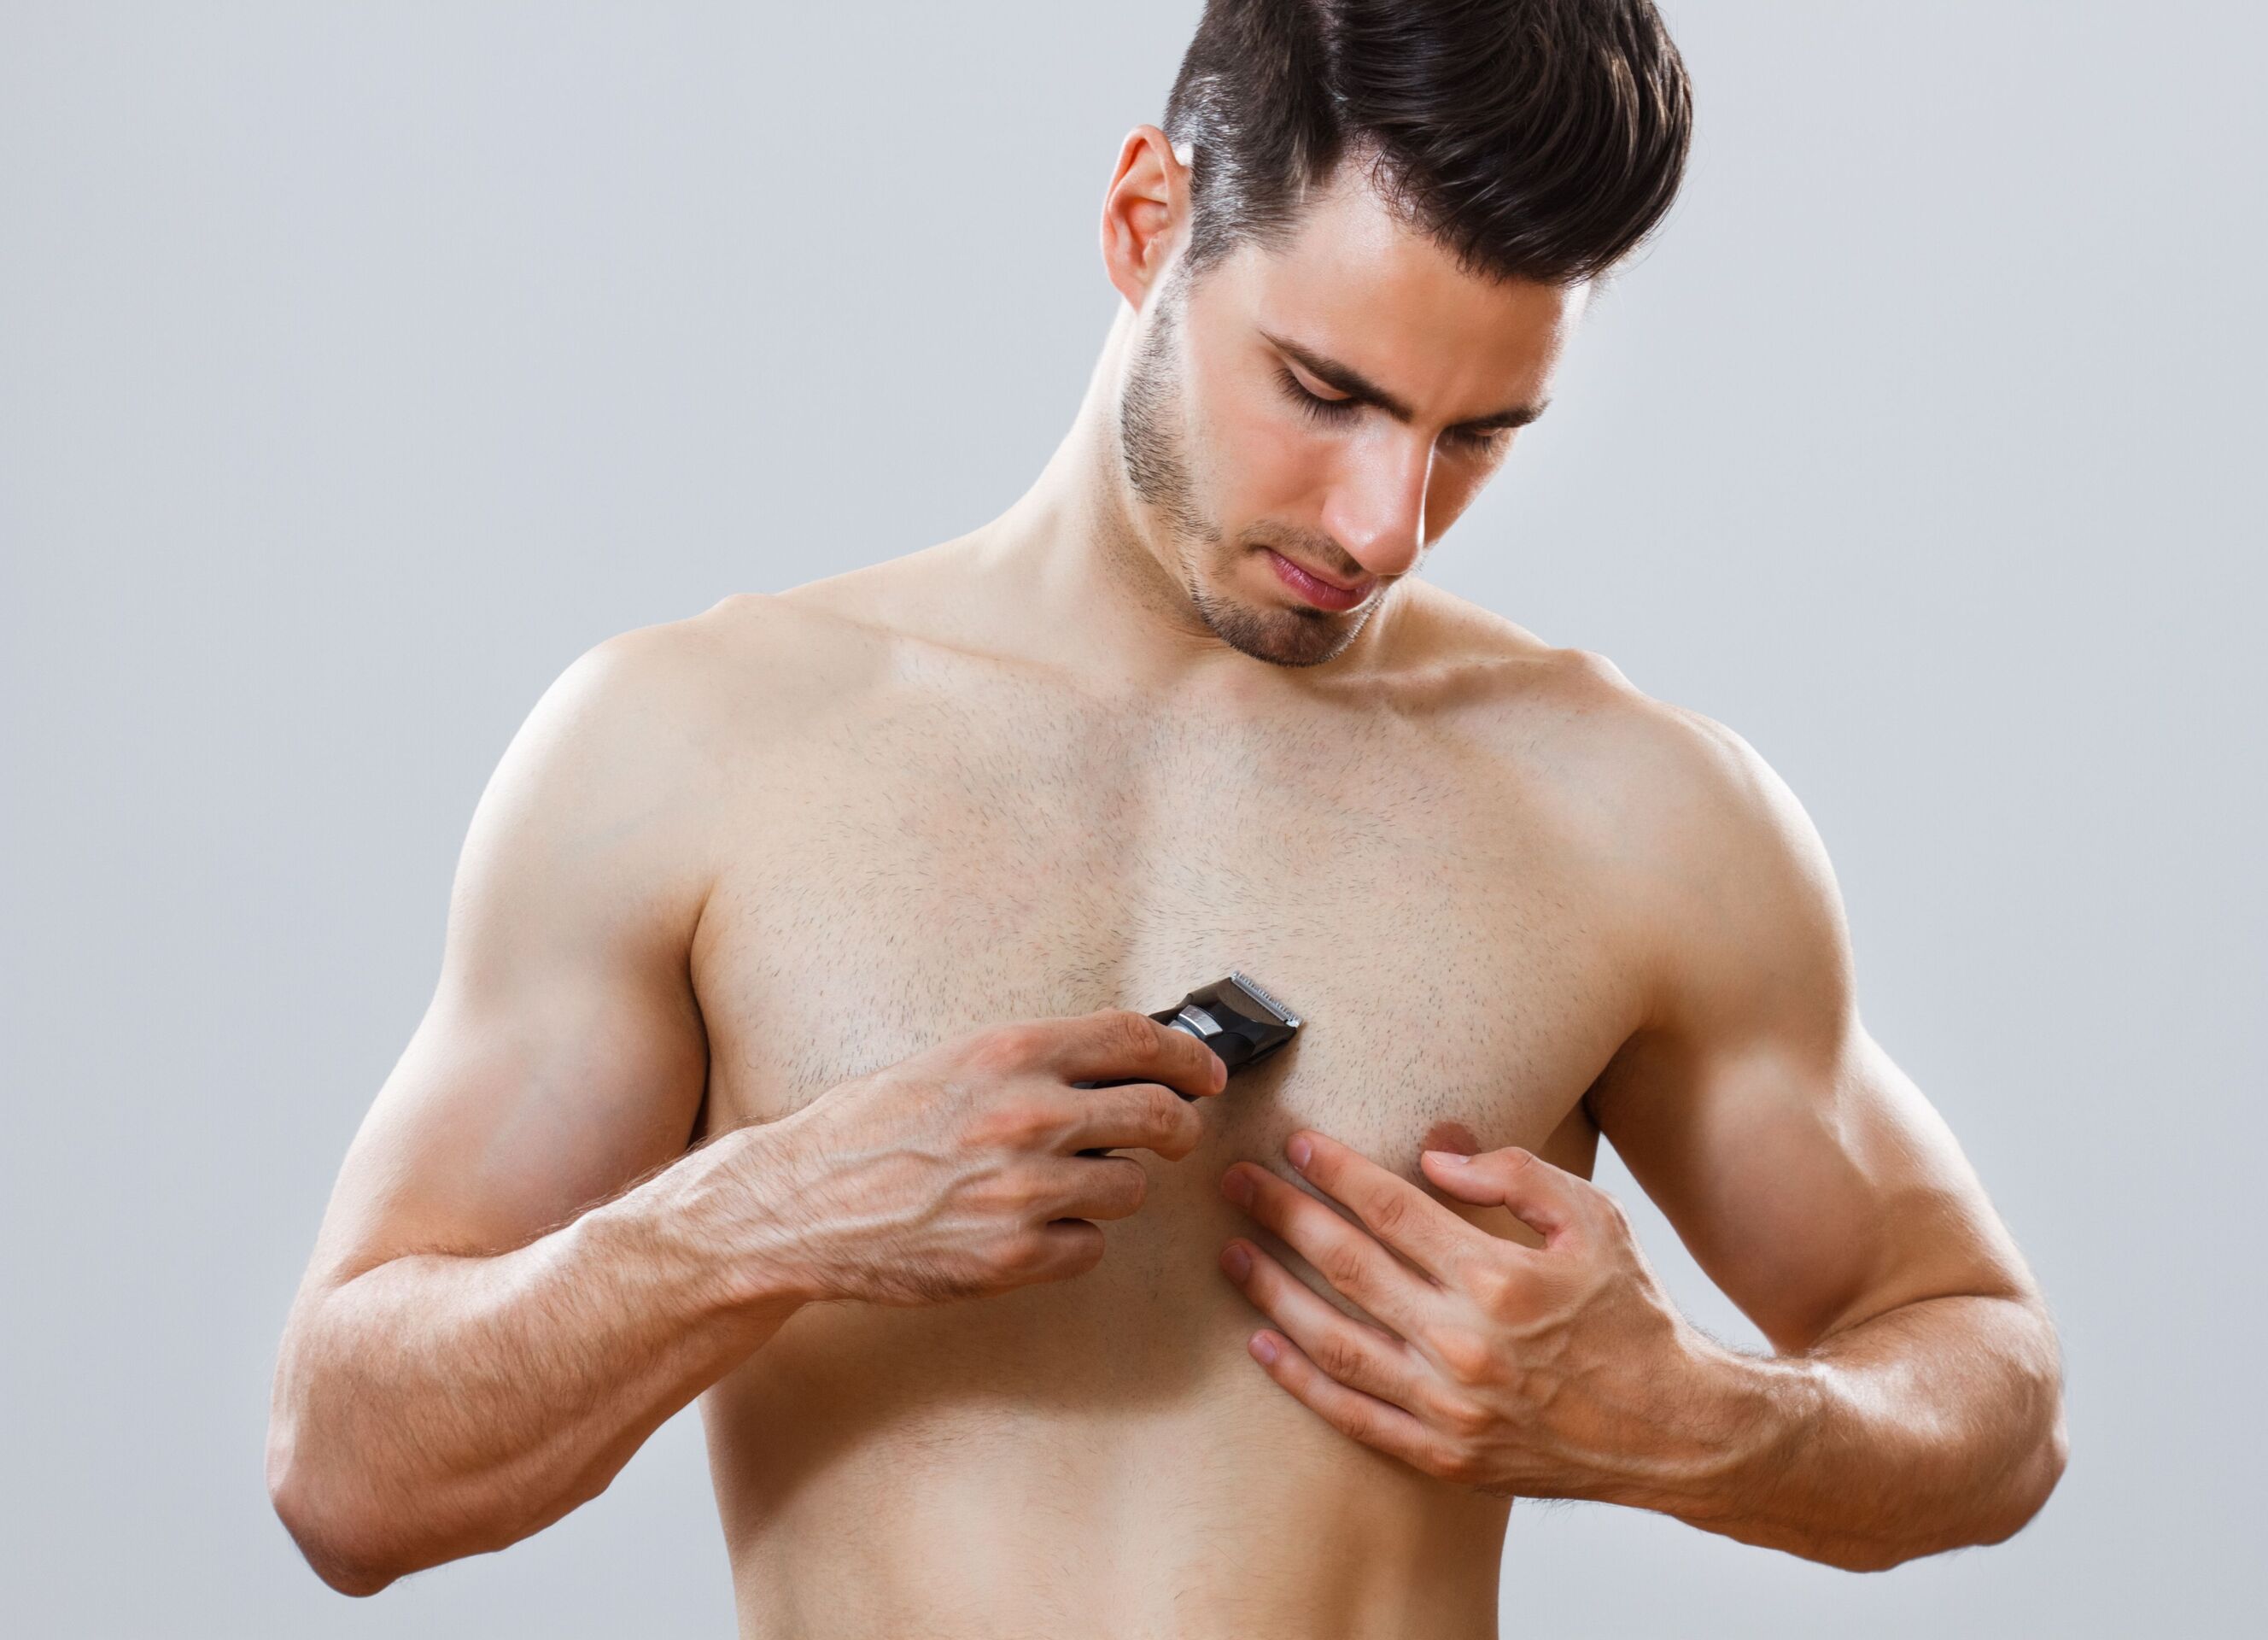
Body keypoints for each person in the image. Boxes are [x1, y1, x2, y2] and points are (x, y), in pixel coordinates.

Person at [266, 1, 2067, 1632]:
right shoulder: (691, 749)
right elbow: (346, 1472)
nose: (1384, 525)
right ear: (1145, 224)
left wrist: (1696, 1426)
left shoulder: (1634, 812)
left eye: (1480, 432)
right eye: (1327, 391)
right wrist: (758, 1223)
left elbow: (1993, 1397)